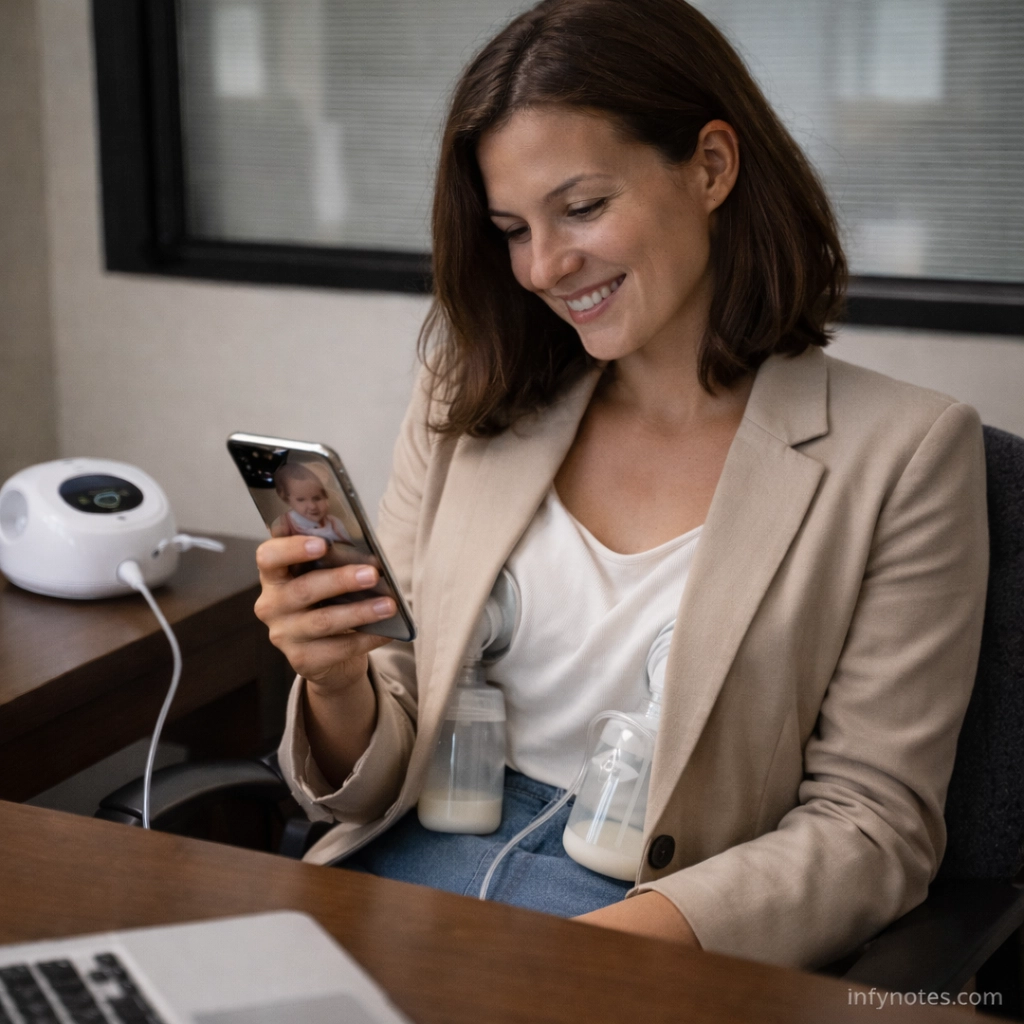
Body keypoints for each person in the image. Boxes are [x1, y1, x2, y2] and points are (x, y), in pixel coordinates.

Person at [255, 0, 988, 969]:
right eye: (513, 228)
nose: (545, 267)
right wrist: (336, 678)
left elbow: (871, 828)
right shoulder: (470, 399)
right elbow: (387, 733)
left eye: (583, 207)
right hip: (402, 874)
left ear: (712, 167)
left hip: (652, 917)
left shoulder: (906, 454)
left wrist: (587, 958)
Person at [270, 463, 354, 545]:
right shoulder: (284, 524)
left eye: (317, 498)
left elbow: (350, 549)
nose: (312, 506)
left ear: (326, 497)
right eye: (301, 500)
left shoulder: (335, 523)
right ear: (287, 500)